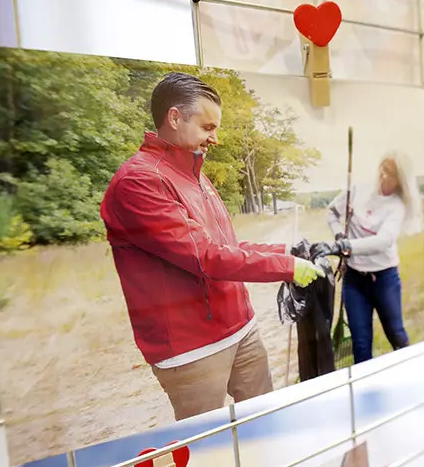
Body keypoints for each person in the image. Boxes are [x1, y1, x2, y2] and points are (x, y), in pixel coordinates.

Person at [100, 72, 324, 421]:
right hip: (192, 350)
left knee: (266, 423)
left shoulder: (196, 174)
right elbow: (206, 256)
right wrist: (287, 268)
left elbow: (227, 246)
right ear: (175, 118)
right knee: (209, 447)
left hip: (241, 327)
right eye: (207, 127)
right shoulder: (138, 182)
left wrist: (287, 253)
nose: (214, 138)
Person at [310, 152, 424, 364]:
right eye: (383, 168)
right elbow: (332, 212)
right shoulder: (358, 190)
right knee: (361, 344)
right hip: (355, 280)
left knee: (396, 335)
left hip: (385, 279)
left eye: (391, 172)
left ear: (401, 179)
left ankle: (412, 373)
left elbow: (383, 241)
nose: (383, 175)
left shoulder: (397, 206)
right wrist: (339, 234)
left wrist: (344, 246)